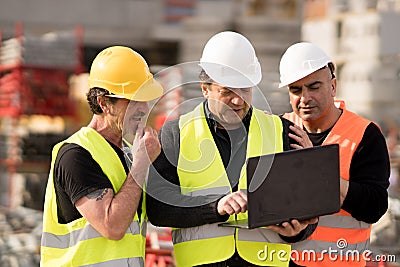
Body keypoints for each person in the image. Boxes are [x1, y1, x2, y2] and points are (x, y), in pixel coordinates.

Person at [146, 31, 317, 267]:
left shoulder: (283, 132)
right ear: (205, 89)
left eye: (245, 90)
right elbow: (158, 209)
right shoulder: (176, 133)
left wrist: (296, 232)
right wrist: (214, 207)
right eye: (227, 92)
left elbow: (309, 209)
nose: (238, 101)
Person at [40, 46, 163, 266]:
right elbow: (112, 226)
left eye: (146, 100)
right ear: (104, 103)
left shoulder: (129, 153)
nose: (144, 109)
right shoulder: (75, 155)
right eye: (134, 101)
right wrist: (143, 164)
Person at [278, 42, 390, 267]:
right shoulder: (280, 128)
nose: (305, 98)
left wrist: (316, 166)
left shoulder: (364, 135)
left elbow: (374, 208)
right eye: (296, 90)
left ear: (333, 86)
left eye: (314, 87)